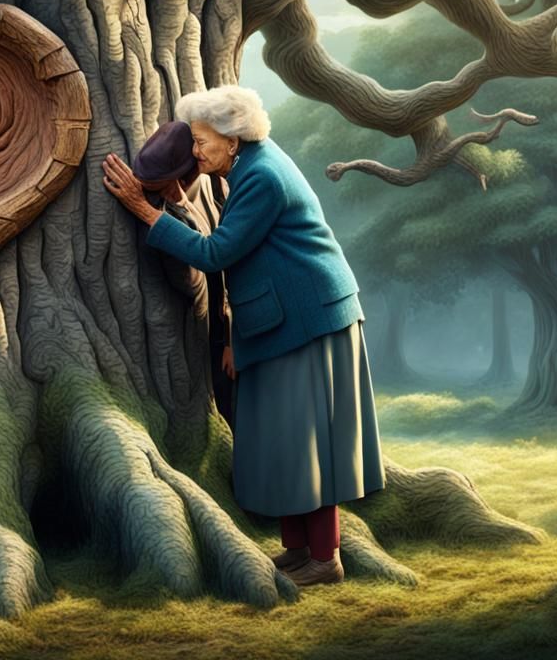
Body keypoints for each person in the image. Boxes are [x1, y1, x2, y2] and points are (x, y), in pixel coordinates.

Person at [101, 85, 384, 587]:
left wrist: (146, 212)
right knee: (284, 441)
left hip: (310, 323)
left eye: (202, 142)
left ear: (233, 140)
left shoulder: (261, 177)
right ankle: (298, 551)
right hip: (284, 321)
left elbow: (217, 254)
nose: (194, 151)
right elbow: (241, 252)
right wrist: (237, 335)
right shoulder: (246, 167)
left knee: (307, 443)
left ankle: (326, 559)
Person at [130, 120, 236, 431]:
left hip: (222, 330)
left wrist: (233, 341)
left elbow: (203, 273)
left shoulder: (210, 188)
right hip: (214, 330)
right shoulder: (191, 195)